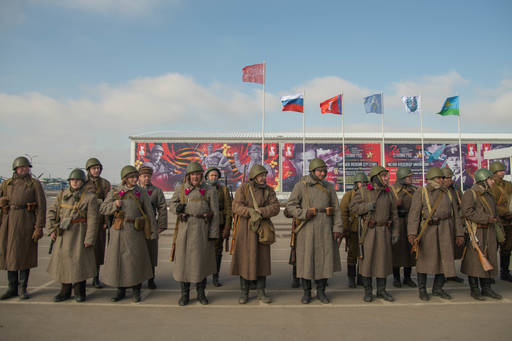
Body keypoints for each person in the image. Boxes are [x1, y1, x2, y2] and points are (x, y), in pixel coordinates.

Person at [286, 158, 342, 304]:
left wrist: (337, 227)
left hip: (325, 228)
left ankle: (322, 291)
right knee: (306, 261)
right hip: (307, 228)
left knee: (324, 260)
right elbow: (290, 206)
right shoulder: (301, 186)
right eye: (319, 171)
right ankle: (306, 292)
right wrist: (304, 213)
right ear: (312, 171)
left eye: (324, 171)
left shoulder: (329, 187)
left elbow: (336, 209)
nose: (322, 173)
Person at [100, 165, 157, 302]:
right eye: (131, 177)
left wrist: (153, 231)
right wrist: (115, 205)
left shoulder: (141, 192)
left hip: (135, 231)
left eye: (135, 177)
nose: (134, 179)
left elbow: (149, 212)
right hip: (119, 231)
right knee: (119, 261)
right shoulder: (115, 191)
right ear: (125, 178)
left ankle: (136, 290)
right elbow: (103, 208)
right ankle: (121, 290)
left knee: (135, 261)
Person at [407, 167, 464, 301]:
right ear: (432, 179)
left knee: (445, 260)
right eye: (439, 178)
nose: (442, 180)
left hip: (445, 229)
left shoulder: (448, 193)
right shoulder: (422, 192)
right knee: (424, 261)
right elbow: (414, 214)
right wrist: (412, 233)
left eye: (443, 178)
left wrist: (459, 233)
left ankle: (438, 288)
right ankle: (422, 289)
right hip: (428, 230)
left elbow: (456, 215)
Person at [169, 162, 219, 306]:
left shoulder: (210, 190)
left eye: (198, 174)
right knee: (183, 263)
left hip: (202, 230)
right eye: (193, 174)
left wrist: (213, 233)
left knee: (200, 263)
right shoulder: (180, 189)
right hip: (184, 230)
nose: (195, 177)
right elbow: (172, 205)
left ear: (201, 176)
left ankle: (201, 293)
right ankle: (184, 294)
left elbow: (215, 213)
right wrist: (176, 208)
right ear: (188, 176)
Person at [47, 169, 99, 302]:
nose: (75, 183)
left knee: (79, 263)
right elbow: (52, 212)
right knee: (64, 263)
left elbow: (93, 220)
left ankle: (80, 292)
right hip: (64, 233)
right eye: (73, 180)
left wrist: (89, 238)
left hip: (79, 233)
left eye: (78, 180)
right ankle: (65, 291)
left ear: (83, 182)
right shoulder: (62, 195)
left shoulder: (90, 197)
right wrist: (51, 229)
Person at [231, 164, 280, 304]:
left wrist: (262, 212)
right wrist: (249, 212)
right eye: (260, 175)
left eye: (264, 175)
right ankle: (244, 292)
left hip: (262, 230)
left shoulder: (269, 190)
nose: (263, 178)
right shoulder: (243, 189)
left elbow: (275, 207)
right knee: (244, 260)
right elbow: (236, 206)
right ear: (253, 176)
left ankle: (261, 291)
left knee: (262, 261)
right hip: (245, 229)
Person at [350, 165, 399, 302]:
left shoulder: (388, 193)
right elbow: (353, 207)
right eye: (384, 176)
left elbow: (394, 214)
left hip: (384, 232)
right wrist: (367, 207)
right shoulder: (364, 191)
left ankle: (382, 290)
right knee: (367, 262)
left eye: (386, 175)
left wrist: (395, 232)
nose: (387, 178)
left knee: (382, 261)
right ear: (376, 177)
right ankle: (368, 291)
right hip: (369, 232)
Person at [0, 156, 46, 300]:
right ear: (15, 169)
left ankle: (22, 288)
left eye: (26, 167)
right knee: (9, 255)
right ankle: (12, 287)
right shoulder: (7, 184)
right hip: (9, 221)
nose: (24, 169)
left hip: (26, 221)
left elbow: (41, 206)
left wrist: (39, 226)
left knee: (24, 255)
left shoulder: (34, 184)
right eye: (21, 167)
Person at [461, 168, 502, 300]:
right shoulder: (470, 193)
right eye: (490, 179)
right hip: (476, 231)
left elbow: (495, 213)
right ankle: (474, 289)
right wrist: (486, 218)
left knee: (489, 257)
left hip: (489, 231)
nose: (492, 182)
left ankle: (486, 288)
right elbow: (467, 212)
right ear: (483, 180)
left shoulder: (489, 195)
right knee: (474, 261)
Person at [138, 166, 168, 289]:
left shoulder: (156, 191)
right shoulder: (135, 190)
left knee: (151, 252)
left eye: (149, 176)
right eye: (144, 176)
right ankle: (137, 280)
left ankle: (151, 279)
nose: (147, 179)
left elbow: (162, 208)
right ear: (139, 177)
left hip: (150, 225)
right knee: (137, 253)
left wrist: (161, 225)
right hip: (137, 226)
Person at [84, 157, 111, 289]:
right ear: (88, 169)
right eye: (94, 168)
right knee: (82, 250)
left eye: (98, 168)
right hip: (84, 220)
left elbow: (108, 203)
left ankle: (96, 277)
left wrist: (106, 221)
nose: (96, 170)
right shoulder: (82, 182)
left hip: (100, 220)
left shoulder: (105, 183)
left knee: (98, 250)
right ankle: (80, 278)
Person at [204, 166, 232, 287]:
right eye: (211, 175)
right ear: (207, 177)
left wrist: (227, 227)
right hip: (205, 223)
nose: (214, 177)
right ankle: (202, 276)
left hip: (219, 223)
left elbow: (228, 210)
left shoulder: (224, 190)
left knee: (217, 251)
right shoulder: (202, 189)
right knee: (203, 250)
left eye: (215, 175)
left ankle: (215, 276)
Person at [340, 172, 368, 288]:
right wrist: (345, 228)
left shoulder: (368, 194)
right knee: (352, 254)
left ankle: (361, 276)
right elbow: (343, 212)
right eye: (361, 182)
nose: (363, 184)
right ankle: (351, 277)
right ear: (356, 184)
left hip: (366, 229)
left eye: (365, 182)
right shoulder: (349, 195)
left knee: (364, 254)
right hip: (353, 229)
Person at [390, 167, 417, 288]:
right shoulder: (391, 190)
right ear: (401, 178)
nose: (410, 178)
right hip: (397, 223)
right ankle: (396, 278)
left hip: (410, 222)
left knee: (409, 251)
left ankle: (407, 277)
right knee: (396, 251)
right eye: (408, 177)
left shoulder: (414, 190)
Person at [488, 161, 512, 282]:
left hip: (508, 222)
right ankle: (490, 274)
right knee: (493, 247)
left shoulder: (508, 185)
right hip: (497, 221)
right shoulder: (491, 186)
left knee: (507, 247)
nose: (503, 172)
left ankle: (505, 272)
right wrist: (504, 212)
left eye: (503, 170)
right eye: (500, 171)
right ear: (494, 173)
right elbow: (490, 203)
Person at [442, 167, 465, 283]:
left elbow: (462, 205)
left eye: (450, 178)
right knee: (443, 251)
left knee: (452, 250)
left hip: (454, 222)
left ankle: (451, 273)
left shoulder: (455, 191)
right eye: (447, 178)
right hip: (442, 224)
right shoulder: (439, 191)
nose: (449, 180)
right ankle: (443, 274)